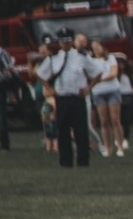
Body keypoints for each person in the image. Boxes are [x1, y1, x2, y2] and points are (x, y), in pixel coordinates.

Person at [37, 31, 106, 167]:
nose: (65, 44)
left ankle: (83, 161)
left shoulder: (81, 56)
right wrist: (48, 88)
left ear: (72, 41)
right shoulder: (54, 58)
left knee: (81, 130)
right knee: (62, 130)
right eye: (63, 42)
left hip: (77, 98)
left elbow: (97, 72)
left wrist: (88, 87)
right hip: (61, 98)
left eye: (68, 41)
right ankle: (65, 161)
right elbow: (40, 73)